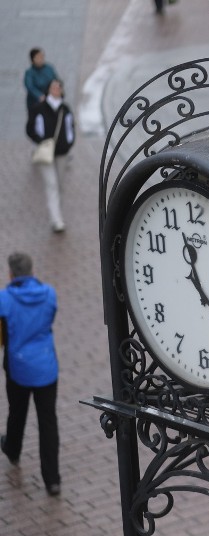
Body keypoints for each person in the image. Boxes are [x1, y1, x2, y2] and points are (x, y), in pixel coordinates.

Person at [0, 253, 62, 496]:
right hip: (47, 365)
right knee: (48, 421)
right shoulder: (49, 294)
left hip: (18, 366)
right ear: (32, 270)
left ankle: (12, 448)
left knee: (17, 411)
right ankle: (52, 479)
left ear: (11, 274)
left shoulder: (4, 299)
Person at [26, 79, 75, 233]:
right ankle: (56, 220)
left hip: (61, 153)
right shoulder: (38, 108)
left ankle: (57, 213)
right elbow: (30, 128)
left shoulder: (65, 108)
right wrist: (40, 141)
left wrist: (68, 144)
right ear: (48, 90)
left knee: (59, 185)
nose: (56, 89)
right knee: (52, 185)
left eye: (59, 87)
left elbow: (70, 128)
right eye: (53, 87)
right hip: (45, 154)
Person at [23, 47, 58, 114]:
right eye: (38, 57)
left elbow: (55, 79)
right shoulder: (30, 72)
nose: (41, 59)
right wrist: (39, 95)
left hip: (50, 100)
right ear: (33, 59)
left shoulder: (49, 68)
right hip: (35, 102)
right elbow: (29, 86)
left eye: (42, 56)